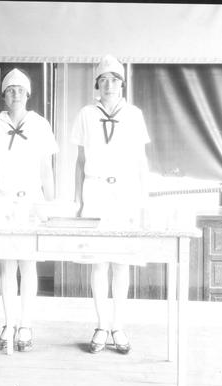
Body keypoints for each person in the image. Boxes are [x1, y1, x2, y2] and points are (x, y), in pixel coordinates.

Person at [71, 55, 151, 354]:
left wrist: (143, 200)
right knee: (99, 263)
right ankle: (102, 325)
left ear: (122, 84)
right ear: (97, 85)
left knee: (121, 262)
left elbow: (141, 162)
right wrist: (78, 200)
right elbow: (79, 162)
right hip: (95, 192)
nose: (109, 85)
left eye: (114, 80)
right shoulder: (85, 114)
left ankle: (118, 326)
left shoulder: (134, 114)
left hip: (126, 195)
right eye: (103, 80)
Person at [0, 68, 57, 352]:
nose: (15, 94)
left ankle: (25, 324)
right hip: (1, 204)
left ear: (28, 94)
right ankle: (8, 322)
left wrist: (49, 206)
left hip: (30, 204)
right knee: (6, 265)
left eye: (20, 90)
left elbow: (47, 171)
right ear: (3, 95)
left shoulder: (40, 125)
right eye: (9, 90)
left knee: (27, 264)